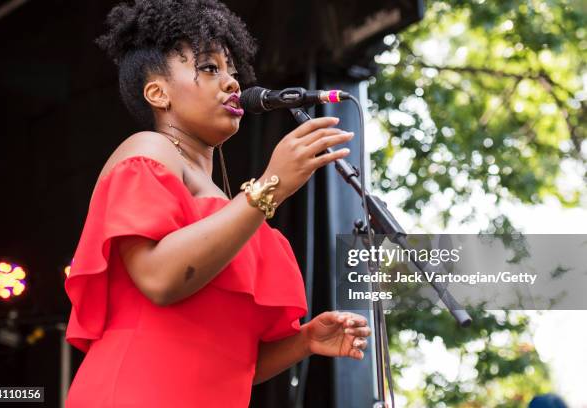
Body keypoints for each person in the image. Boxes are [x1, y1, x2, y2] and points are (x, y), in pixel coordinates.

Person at [64, 0, 371, 406]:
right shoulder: (148, 150)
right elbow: (160, 280)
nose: (231, 83)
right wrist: (270, 188)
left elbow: (233, 358)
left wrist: (305, 341)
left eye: (232, 70)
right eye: (209, 68)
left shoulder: (229, 204)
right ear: (158, 93)